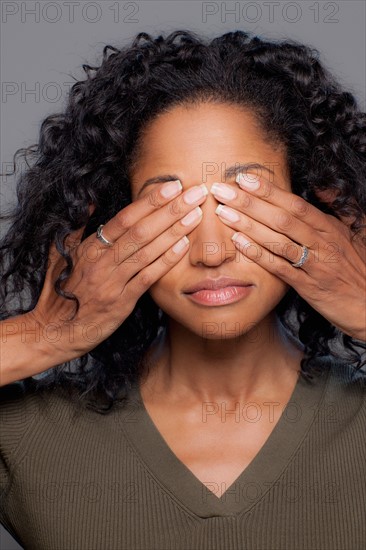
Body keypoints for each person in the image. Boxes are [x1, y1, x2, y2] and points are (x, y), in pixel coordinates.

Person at [0, 29, 365, 550]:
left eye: (245, 202)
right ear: (115, 222)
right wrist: (40, 337)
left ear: (313, 208)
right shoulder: (27, 436)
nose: (211, 253)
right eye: (173, 211)